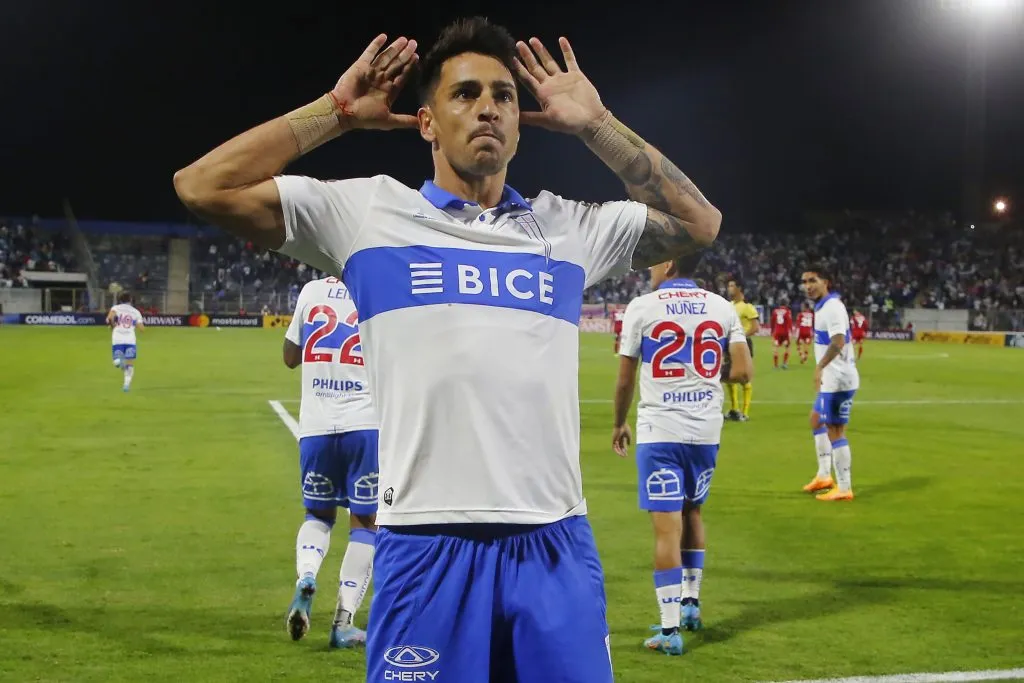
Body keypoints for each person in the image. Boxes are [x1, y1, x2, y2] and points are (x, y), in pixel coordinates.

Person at [173, 18, 721, 682]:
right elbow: (204, 186)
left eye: (503, 95)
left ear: (520, 125)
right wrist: (336, 114)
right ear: (426, 121)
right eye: (464, 93)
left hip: (553, 544)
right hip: (423, 545)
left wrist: (597, 124)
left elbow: (700, 223)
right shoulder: (367, 216)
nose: (487, 105)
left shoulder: (567, 228)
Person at [612, 253, 751, 656]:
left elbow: (625, 380)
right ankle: (691, 605)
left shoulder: (643, 306)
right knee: (693, 512)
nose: (650, 269)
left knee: (666, 526)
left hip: (661, 430)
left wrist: (619, 423)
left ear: (670, 263)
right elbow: (743, 372)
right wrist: (703, 373)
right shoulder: (722, 307)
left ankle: (669, 629)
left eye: (654, 262)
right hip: (705, 430)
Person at [282, 276, 378, 649]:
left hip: (316, 428)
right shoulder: (377, 282)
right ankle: (343, 622)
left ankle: (306, 576)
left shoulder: (311, 290)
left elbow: (290, 357)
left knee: (318, 515)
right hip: (366, 426)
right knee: (366, 523)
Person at [800, 265, 858, 501]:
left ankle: (844, 488)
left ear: (826, 282)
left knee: (835, 430)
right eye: (804, 282)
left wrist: (820, 366)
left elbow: (838, 341)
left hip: (839, 380)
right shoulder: (822, 307)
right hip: (830, 380)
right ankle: (824, 475)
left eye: (813, 280)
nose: (808, 286)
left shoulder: (833, 308)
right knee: (816, 421)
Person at [723, 278, 758, 421]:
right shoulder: (728, 306)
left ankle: (745, 412)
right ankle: (734, 409)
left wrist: (740, 338)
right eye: (728, 285)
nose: (729, 288)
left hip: (742, 344)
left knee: (743, 377)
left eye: (732, 285)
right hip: (729, 344)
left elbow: (755, 327)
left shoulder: (747, 307)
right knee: (729, 376)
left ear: (739, 288)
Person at [105, 292, 144, 392]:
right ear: (130, 300)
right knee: (130, 362)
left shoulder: (116, 308)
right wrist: (134, 323)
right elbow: (141, 329)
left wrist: (112, 325)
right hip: (130, 339)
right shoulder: (135, 312)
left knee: (116, 361)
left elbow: (109, 319)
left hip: (117, 338)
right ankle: (126, 385)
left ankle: (119, 363)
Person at [770, 300, 793, 370]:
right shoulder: (787, 311)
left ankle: (776, 366)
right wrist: (790, 331)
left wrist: (772, 331)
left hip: (777, 332)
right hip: (785, 333)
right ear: (786, 304)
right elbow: (789, 322)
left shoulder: (775, 311)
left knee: (776, 348)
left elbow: (772, 321)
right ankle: (784, 364)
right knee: (787, 347)